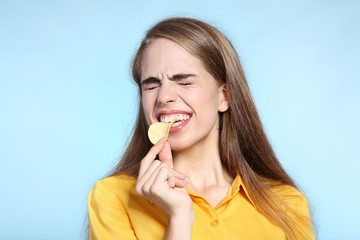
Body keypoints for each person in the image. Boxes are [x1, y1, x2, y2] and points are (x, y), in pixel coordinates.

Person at [88, 17, 315, 240]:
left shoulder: (287, 203)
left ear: (224, 97)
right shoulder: (113, 197)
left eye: (184, 81)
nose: (164, 97)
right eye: (151, 85)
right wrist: (179, 217)